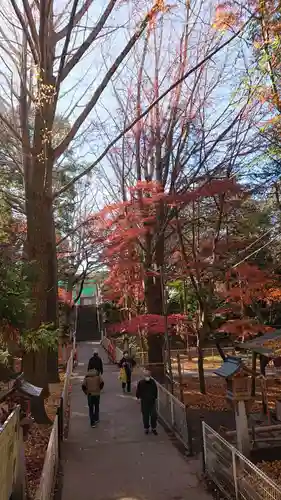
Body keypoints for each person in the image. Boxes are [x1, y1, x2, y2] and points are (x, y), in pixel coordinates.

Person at [136, 369, 158, 435]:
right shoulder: (141, 383)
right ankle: (146, 428)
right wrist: (138, 398)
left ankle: (153, 427)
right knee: (145, 416)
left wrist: (155, 398)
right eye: (146, 375)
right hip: (144, 402)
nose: (147, 376)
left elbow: (155, 391)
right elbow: (138, 391)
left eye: (148, 375)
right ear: (143, 376)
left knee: (153, 415)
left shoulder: (153, 382)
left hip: (152, 402)